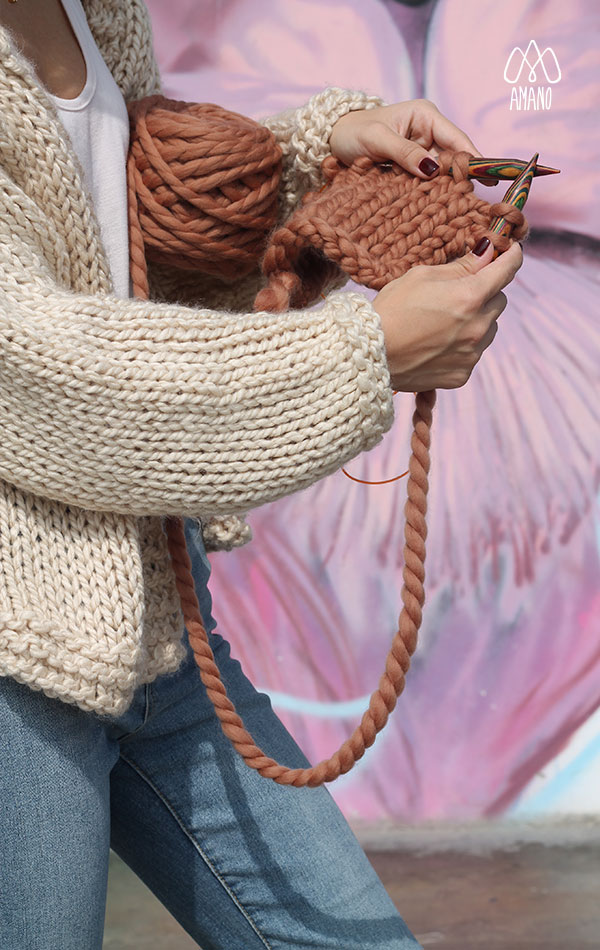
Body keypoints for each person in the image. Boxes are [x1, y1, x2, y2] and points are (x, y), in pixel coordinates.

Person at [0, 1, 523, 948]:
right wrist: (365, 352)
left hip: (160, 622)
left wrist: (312, 163)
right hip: (17, 658)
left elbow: (134, 243)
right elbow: (34, 370)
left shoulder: (93, 8)